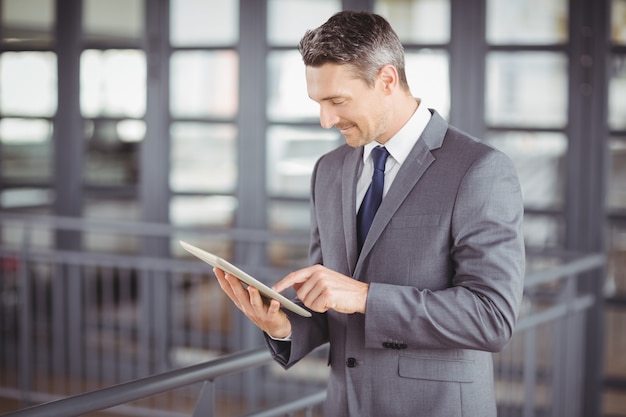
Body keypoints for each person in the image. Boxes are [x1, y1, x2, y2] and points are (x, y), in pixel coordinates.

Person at [214, 10, 525, 417]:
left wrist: (364, 296)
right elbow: (329, 303)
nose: (326, 120)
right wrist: (285, 326)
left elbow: (491, 317)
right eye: (318, 103)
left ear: (387, 80)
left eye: (337, 101)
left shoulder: (479, 169)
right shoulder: (328, 171)